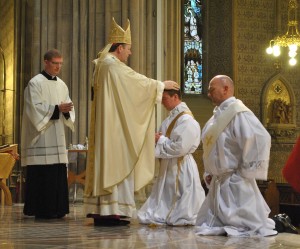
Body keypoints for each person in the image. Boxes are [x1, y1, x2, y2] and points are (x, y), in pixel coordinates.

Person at [84, 17, 179, 226]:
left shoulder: (102, 64)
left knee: (116, 161)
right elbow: (135, 83)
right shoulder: (111, 65)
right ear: (118, 48)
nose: (130, 52)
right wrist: (160, 85)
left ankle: (108, 210)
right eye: (128, 48)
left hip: (112, 121)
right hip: (113, 127)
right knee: (119, 159)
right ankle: (112, 211)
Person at [195, 75, 277, 237]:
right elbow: (214, 149)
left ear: (226, 89)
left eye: (212, 90)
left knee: (244, 225)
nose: (209, 94)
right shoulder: (216, 116)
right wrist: (210, 172)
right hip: (219, 181)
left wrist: (246, 171)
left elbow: (259, 138)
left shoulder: (238, 113)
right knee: (216, 226)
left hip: (236, 181)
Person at [137, 87, 205, 226]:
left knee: (181, 196)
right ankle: (166, 212)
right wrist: (157, 139)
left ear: (175, 97)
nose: (162, 102)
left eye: (164, 98)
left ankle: (178, 214)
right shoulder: (171, 118)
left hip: (181, 164)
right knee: (165, 196)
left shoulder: (186, 119)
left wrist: (159, 140)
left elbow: (180, 147)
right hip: (169, 164)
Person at [21, 49, 75, 219]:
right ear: (45, 62)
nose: (58, 67)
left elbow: (68, 106)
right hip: (41, 138)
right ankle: (41, 209)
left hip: (57, 135)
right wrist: (56, 109)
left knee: (57, 173)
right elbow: (34, 109)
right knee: (43, 174)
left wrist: (66, 111)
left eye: (60, 64)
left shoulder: (62, 84)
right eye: (55, 63)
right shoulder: (34, 83)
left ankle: (58, 209)